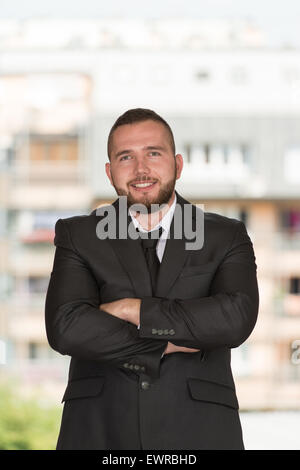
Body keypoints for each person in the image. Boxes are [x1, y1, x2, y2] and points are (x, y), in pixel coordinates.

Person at [45, 108, 259, 450]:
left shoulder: (225, 235)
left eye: (153, 154)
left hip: (200, 431)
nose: (141, 169)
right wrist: (165, 343)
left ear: (178, 164)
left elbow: (234, 319)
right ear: (109, 171)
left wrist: (133, 309)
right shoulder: (78, 235)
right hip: (98, 429)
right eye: (125, 157)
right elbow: (66, 327)